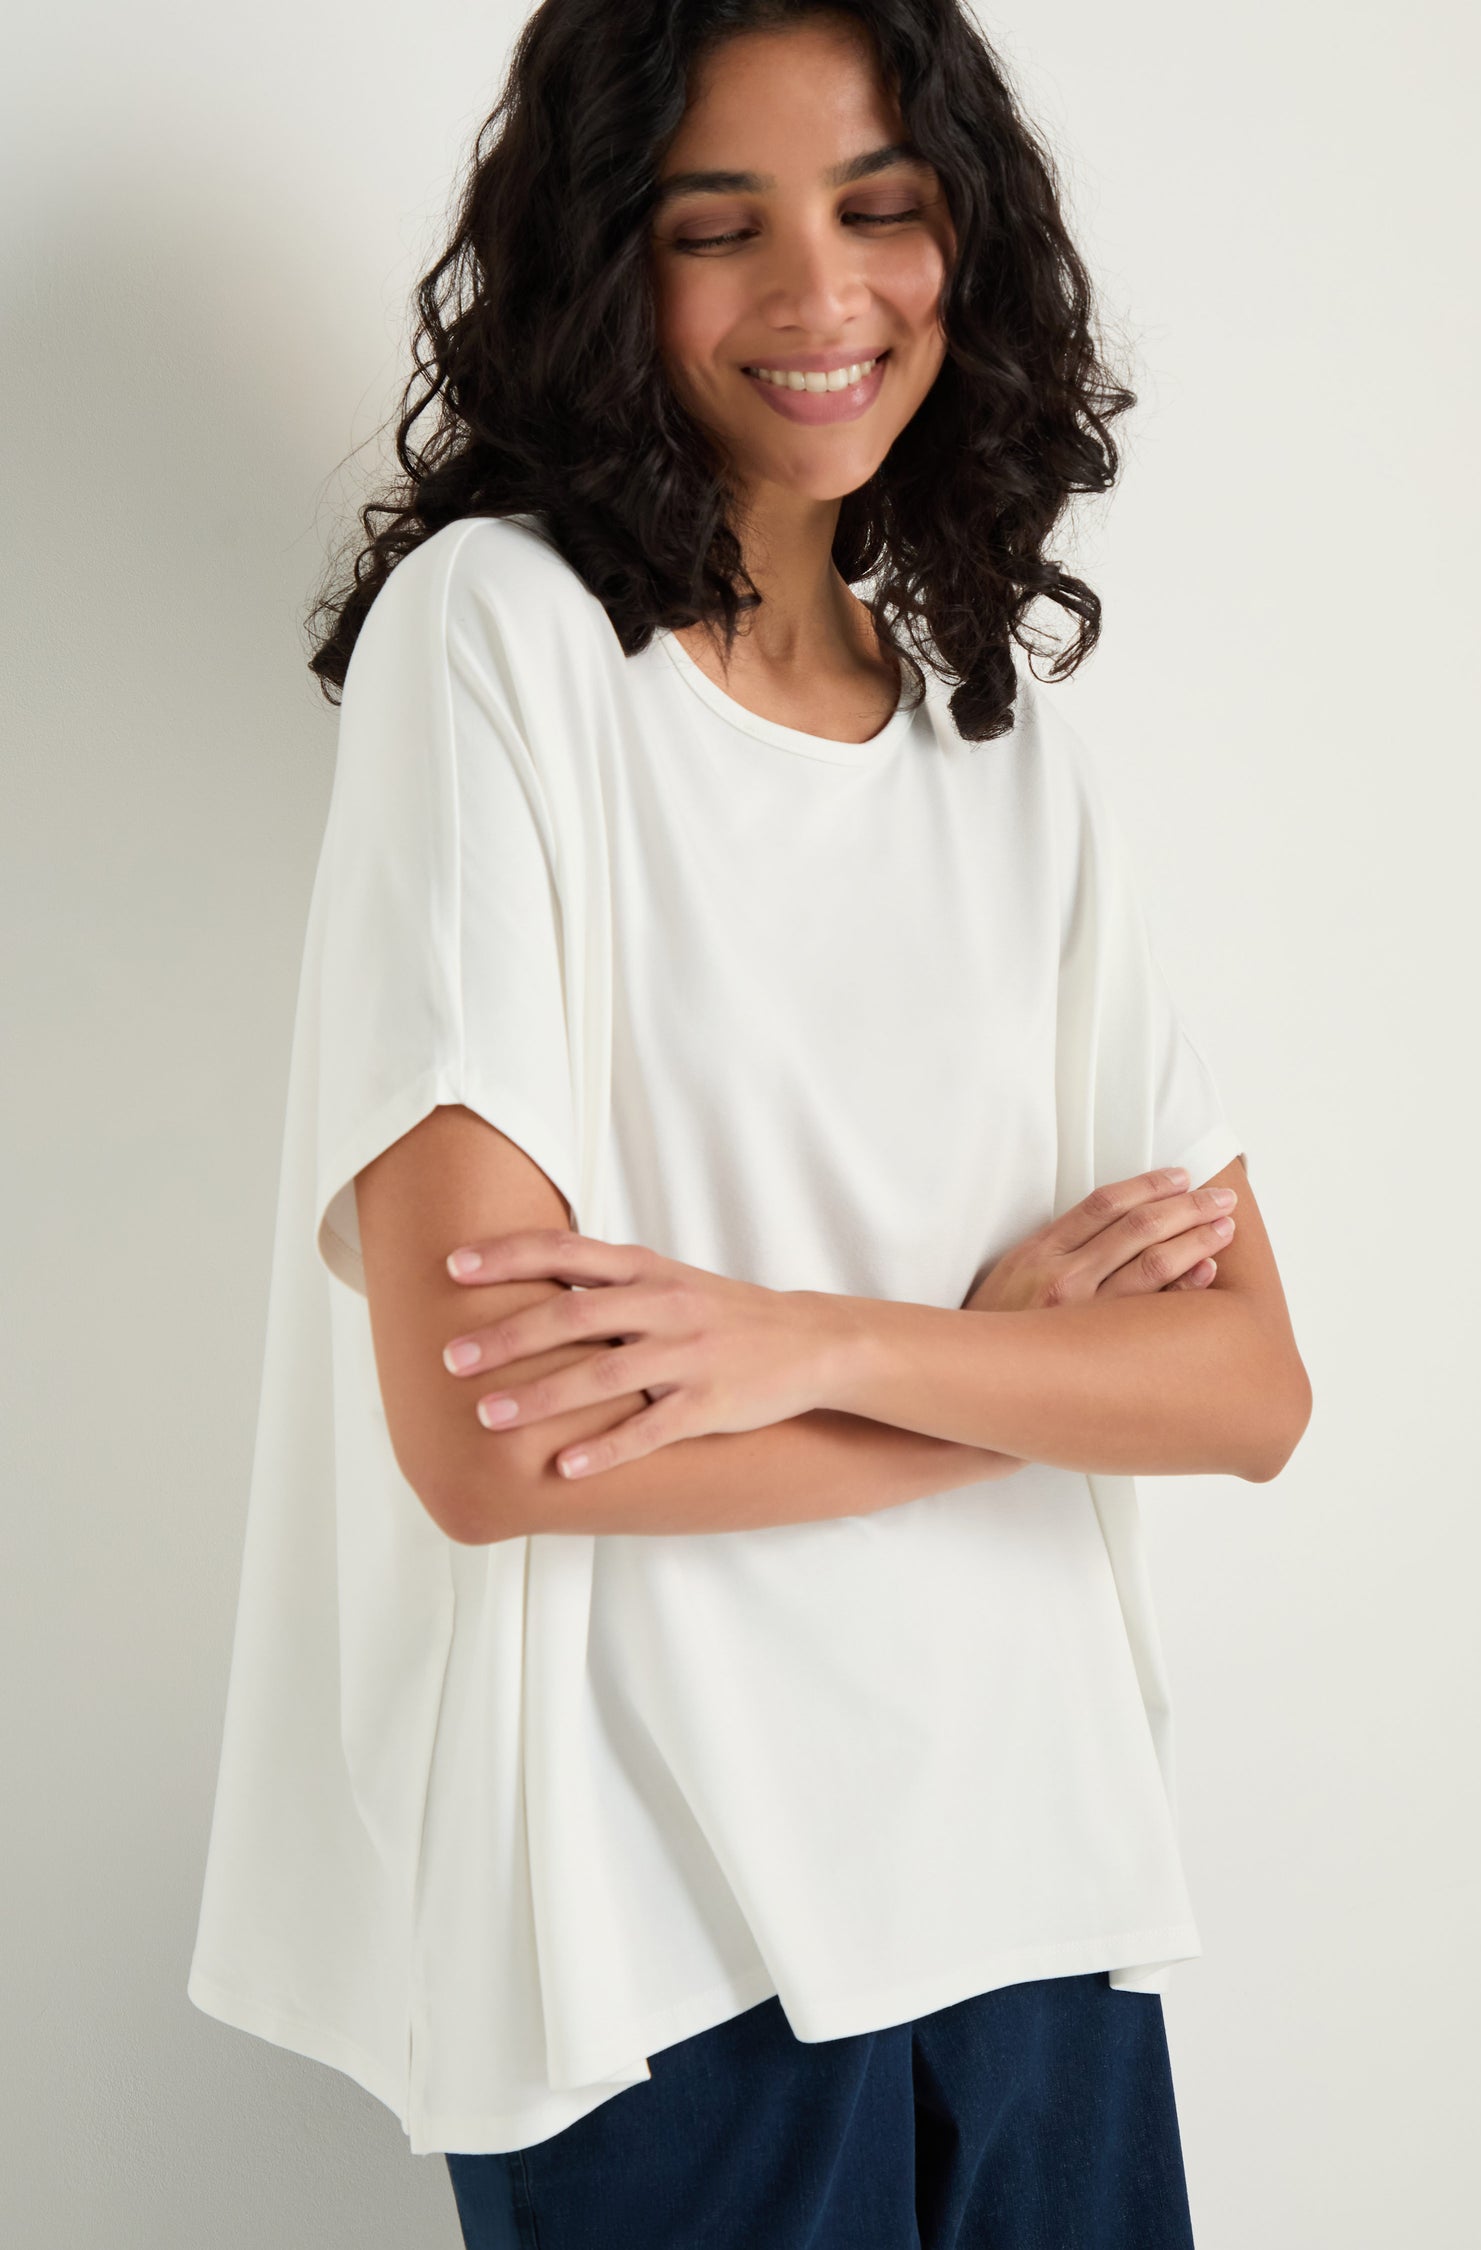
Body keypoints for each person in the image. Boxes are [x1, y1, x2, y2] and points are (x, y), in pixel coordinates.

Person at [187, 2, 1312, 2244]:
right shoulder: (495, 641)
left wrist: (817, 1341)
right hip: (662, 1926)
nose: (825, 296)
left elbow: (1244, 1386)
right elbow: (494, 1440)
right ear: (613, 270)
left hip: (1040, 1885)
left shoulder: (1005, 747)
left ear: (966, 245)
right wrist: (1023, 1380)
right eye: (725, 230)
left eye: (884, 210)